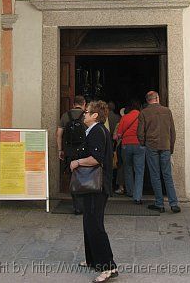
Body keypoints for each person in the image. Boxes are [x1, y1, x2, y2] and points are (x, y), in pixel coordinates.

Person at [70, 101, 118, 282]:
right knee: (88, 220)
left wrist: (77, 162)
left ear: (95, 115)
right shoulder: (93, 130)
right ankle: (92, 260)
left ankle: (109, 266)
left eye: (87, 112)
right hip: (93, 185)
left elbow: (96, 158)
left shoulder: (97, 131)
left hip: (98, 185)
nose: (84, 115)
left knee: (95, 224)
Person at [137, 91, 181, 213]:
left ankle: (159, 203)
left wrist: (143, 143)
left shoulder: (144, 113)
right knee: (167, 175)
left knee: (155, 175)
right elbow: (173, 131)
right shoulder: (167, 111)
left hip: (151, 146)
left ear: (147, 100)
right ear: (157, 98)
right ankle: (174, 203)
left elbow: (140, 132)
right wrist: (171, 147)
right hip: (165, 146)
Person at [57, 96, 87, 214]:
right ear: (84, 104)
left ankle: (76, 205)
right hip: (83, 151)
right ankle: (84, 204)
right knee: (84, 176)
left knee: (72, 177)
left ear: (73, 104)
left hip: (69, 151)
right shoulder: (86, 116)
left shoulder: (66, 115)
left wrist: (60, 150)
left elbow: (58, 134)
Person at [116, 100, 145, 204]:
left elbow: (118, 134)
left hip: (126, 145)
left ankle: (130, 191)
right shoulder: (142, 116)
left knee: (127, 168)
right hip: (139, 144)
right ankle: (137, 197)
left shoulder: (125, 117)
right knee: (139, 171)